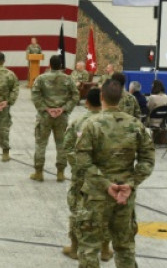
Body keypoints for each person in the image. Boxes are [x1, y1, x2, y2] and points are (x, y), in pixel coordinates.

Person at [74, 79, 155, 267]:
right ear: (120, 98)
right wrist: (131, 183)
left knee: (89, 248)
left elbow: (82, 161)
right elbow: (148, 159)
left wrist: (105, 184)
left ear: (101, 97)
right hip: (124, 196)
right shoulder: (135, 125)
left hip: (96, 196)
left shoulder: (91, 125)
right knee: (124, 246)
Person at [61, 87, 109, 261]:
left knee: (76, 209)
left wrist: (80, 167)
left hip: (82, 176)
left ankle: (75, 248)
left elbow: (67, 147)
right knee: (105, 211)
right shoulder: (110, 122)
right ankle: (105, 249)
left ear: (87, 102)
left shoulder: (78, 122)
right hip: (105, 177)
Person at [30, 54, 77, 182]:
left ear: (49, 65)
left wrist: (46, 108)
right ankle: (60, 173)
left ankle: (39, 173)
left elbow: (35, 95)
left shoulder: (41, 78)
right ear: (61, 65)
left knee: (41, 144)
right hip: (61, 116)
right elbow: (75, 96)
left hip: (45, 116)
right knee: (61, 144)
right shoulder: (68, 79)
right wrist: (64, 108)